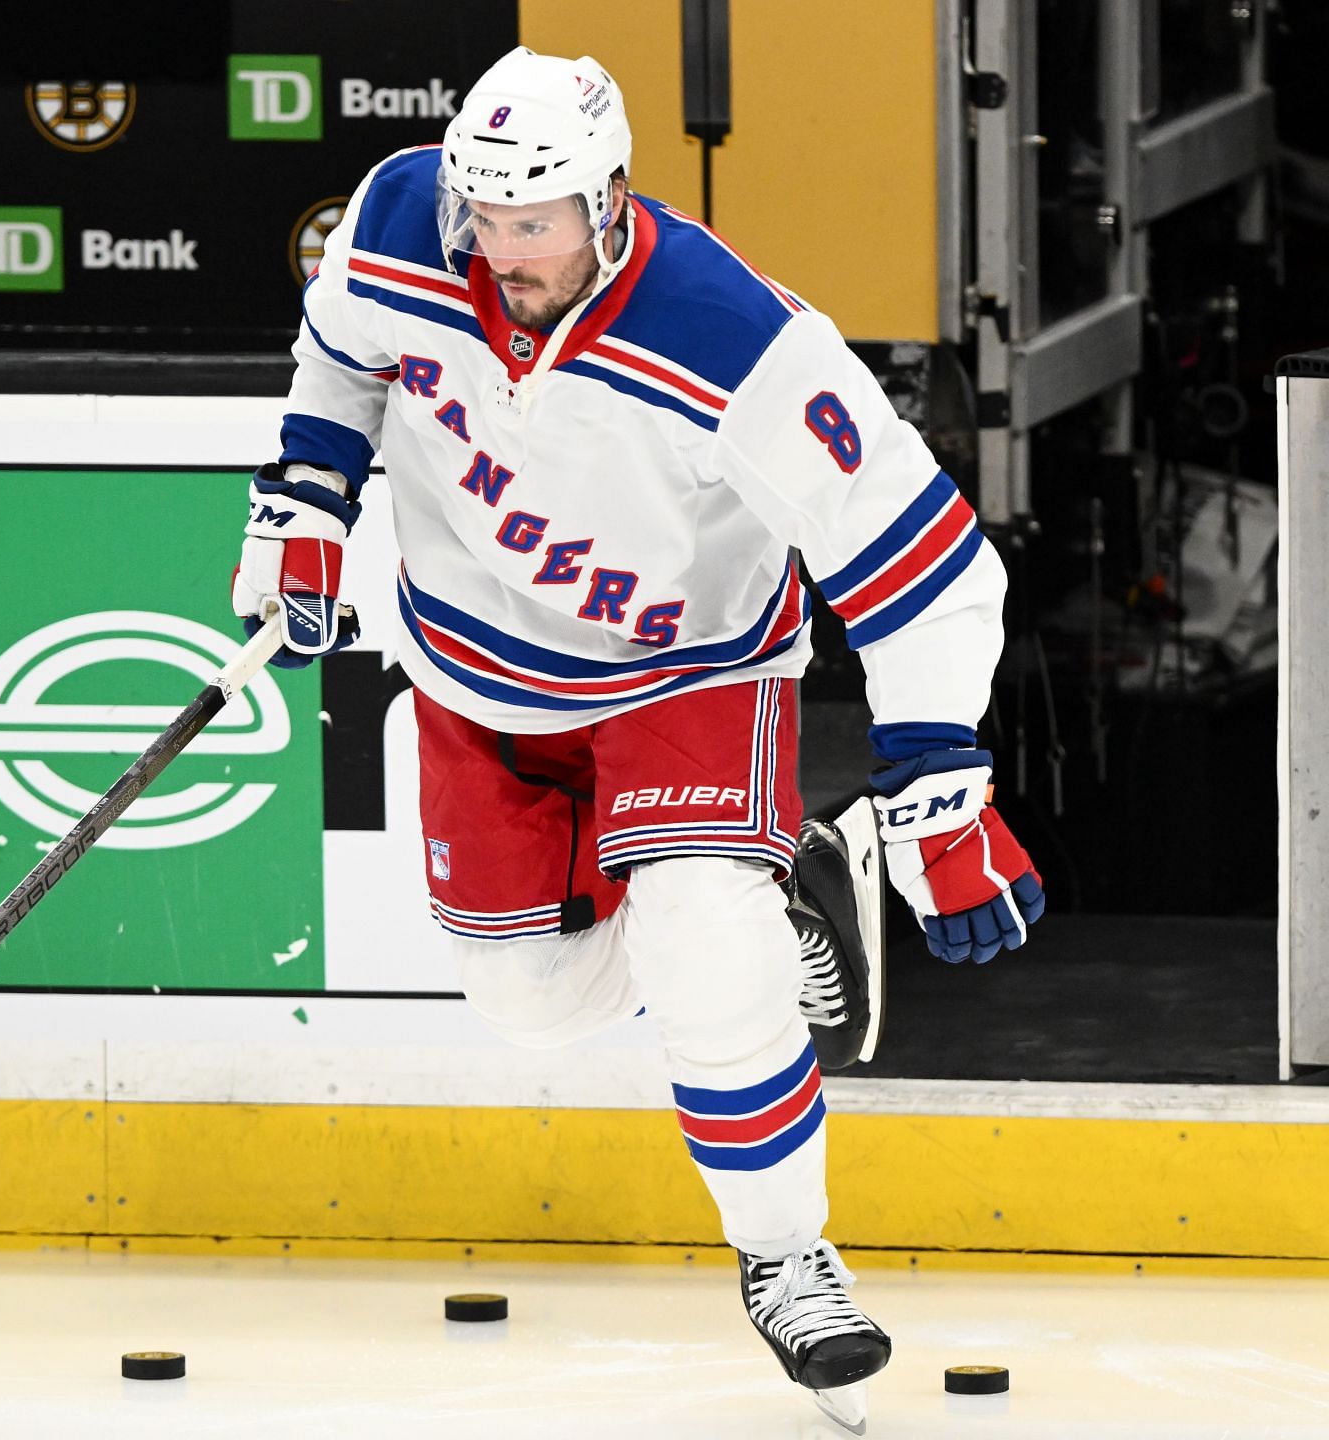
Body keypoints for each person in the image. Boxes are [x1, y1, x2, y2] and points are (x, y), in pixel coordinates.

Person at [230, 45, 1045, 1432]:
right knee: (528, 1005)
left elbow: (919, 559)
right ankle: (789, 907)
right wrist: (307, 498)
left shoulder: (735, 338)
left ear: (609, 199)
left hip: (691, 678)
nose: (500, 249)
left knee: (699, 952)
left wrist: (939, 785)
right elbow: (343, 355)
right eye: (482, 217)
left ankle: (787, 1255)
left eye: (532, 219)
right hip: (476, 678)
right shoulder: (394, 217)